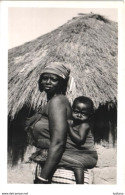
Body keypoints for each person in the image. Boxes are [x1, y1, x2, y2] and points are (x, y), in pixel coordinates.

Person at [26, 61, 72, 183]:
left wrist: (43, 178)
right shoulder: (51, 102)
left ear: (62, 83)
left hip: (57, 171)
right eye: (45, 78)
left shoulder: (57, 102)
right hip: (49, 167)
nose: (48, 82)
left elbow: (58, 142)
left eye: (54, 79)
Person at [60, 96, 98, 184]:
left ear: (90, 115)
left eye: (83, 114)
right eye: (76, 112)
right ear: (72, 110)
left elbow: (80, 140)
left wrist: (69, 127)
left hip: (88, 156)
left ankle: (80, 187)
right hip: (77, 154)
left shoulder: (84, 125)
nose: (79, 115)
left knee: (76, 164)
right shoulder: (72, 123)